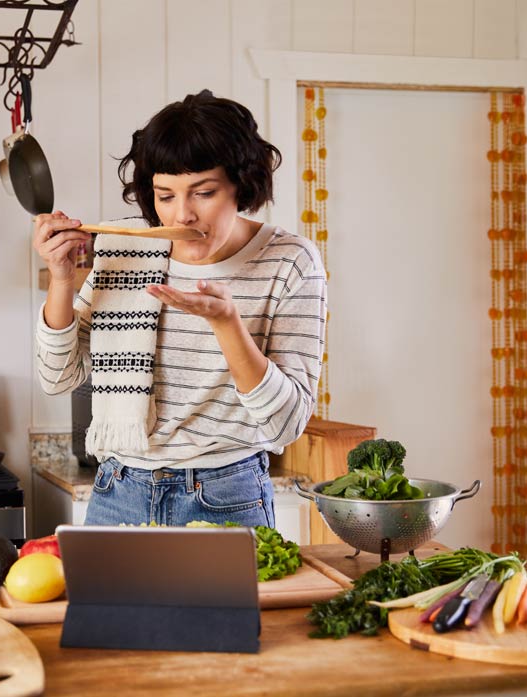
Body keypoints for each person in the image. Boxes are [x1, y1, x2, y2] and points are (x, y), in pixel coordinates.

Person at [33, 89, 327, 528]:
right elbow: (58, 377)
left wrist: (226, 324)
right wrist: (60, 278)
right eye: (164, 195)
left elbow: (286, 425)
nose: (181, 215)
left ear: (241, 185)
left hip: (226, 496)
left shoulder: (289, 261)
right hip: (117, 490)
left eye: (203, 192)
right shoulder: (127, 248)